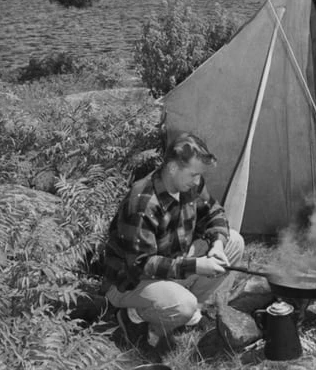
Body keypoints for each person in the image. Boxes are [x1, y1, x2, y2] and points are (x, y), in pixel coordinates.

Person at [103, 132, 244, 354]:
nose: (197, 181)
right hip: (129, 282)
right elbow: (141, 265)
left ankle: (196, 311)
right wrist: (197, 265)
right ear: (172, 168)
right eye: (193, 174)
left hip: (171, 265)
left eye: (200, 175)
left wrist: (217, 244)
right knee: (182, 305)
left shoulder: (190, 185)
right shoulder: (144, 201)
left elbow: (214, 213)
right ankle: (135, 318)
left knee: (234, 241)